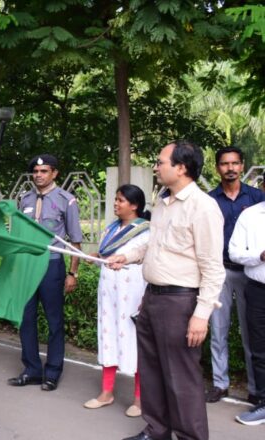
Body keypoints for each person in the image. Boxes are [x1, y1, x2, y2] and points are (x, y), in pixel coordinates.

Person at [108, 140, 224, 440]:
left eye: (161, 162)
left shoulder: (203, 207)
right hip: (153, 298)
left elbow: (213, 267)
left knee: (181, 379)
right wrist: (128, 255)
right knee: (152, 372)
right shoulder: (163, 201)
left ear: (181, 167)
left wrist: (201, 314)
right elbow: (153, 243)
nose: (156, 167)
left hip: (180, 302)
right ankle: (156, 430)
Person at [7, 154, 82, 392]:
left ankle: (52, 373)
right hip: (27, 266)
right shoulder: (25, 199)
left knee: (54, 321)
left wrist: (73, 273)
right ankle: (31, 370)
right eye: (36, 172)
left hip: (51, 265)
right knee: (26, 318)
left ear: (54, 173)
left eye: (44, 171)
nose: (39, 175)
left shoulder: (66, 200)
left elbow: (75, 241)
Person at [83, 184, 150, 417]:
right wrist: (96, 257)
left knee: (135, 340)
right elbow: (106, 254)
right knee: (108, 335)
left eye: (120, 200)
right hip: (109, 292)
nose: (115, 203)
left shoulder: (145, 231)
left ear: (134, 205)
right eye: (115, 199)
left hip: (133, 292)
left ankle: (140, 399)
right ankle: (106, 392)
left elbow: (143, 258)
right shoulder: (111, 228)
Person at [206, 146, 264, 404]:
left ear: (242, 166)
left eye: (234, 163)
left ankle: (255, 388)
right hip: (219, 270)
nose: (230, 168)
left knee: (251, 333)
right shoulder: (209, 201)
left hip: (250, 275)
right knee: (218, 330)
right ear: (217, 167)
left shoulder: (255, 199)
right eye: (224, 164)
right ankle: (220, 383)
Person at [229, 178, 265, 426]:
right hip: (258, 290)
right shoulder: (250, 216)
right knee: (259, 349)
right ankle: (262, 403)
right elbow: (234, 252)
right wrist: (260, 255)